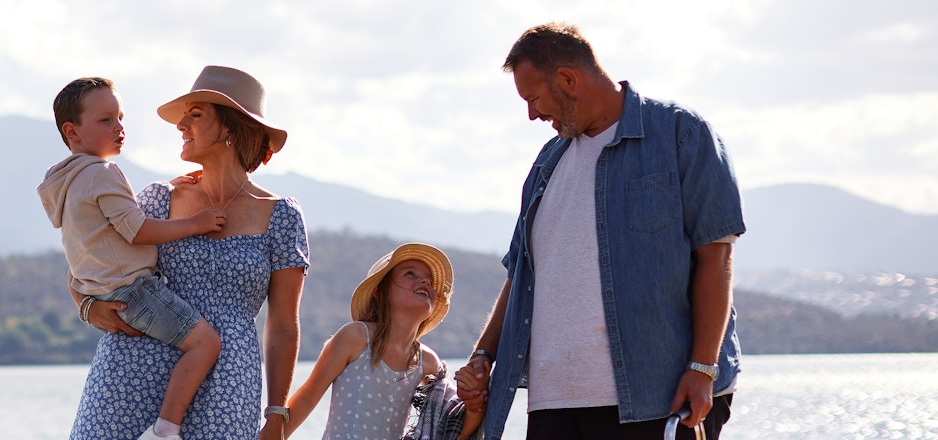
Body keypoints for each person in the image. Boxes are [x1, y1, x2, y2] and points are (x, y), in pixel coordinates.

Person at [456, 22, 746, 440]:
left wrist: (702, 367)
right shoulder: (546, 164)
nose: (532, 114)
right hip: (553, 405)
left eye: (534, 98)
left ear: (568, 79)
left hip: (657, 398)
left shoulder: (681, 134)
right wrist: (483, 355)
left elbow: (715, 257)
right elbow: (521, 276)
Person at [70, 65, 309, 440]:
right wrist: (86, 306)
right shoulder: (157, 198)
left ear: (230, 126)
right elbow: (90, 255)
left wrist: (277, 412)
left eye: (195, 115)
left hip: (228, 381)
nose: (181, 125)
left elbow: (282, 322)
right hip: (132, 370)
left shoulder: (281, 215)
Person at [38, 76, 228, 440]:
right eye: (105, 120)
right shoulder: (103, 172)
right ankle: (166, 429)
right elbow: (136, 230)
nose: (119, 127)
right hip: (135, 292)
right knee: (206, 343)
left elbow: (112, 223)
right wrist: (196, 222)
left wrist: (170, 188)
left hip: (101, 293)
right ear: (72, 131)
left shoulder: (66, 181)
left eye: (121, 117)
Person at [281, 243, 484, 439]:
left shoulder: (428, 362)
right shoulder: (355, 337)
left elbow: (448, 426)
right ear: (380, 292)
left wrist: (474, 409)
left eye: (429, 280)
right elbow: (307, 396)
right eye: (410, 274)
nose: (425, 282)